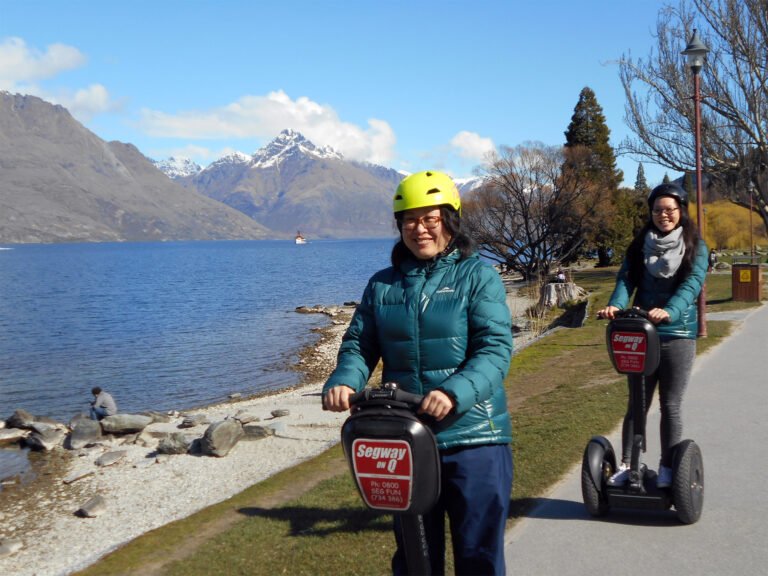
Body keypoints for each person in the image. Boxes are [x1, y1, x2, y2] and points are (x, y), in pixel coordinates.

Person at [323, 170, 514, 576]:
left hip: (474, 436)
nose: (420, 228)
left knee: (478, 557)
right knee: (414, 557)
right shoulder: (382, 286)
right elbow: (360, 345)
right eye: (409, 219)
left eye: (430, 218)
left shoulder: (477, 276)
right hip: (406, 440)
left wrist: (453, 392)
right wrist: (344, 379)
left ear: (451, 220)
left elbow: (495, 350)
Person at [597, 182, 707, 488]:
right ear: (652, 212)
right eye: (658, 209)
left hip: (677, 333)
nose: (664, 215)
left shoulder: (696, 245)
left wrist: (669, 310)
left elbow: (692, 284)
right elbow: (626, 279)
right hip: (641, 333)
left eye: (670, 209)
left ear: (681, 211)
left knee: (670, 404)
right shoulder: (639, 244)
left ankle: (668, 467)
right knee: (637, 403)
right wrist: (615, 306)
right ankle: (627, 465)